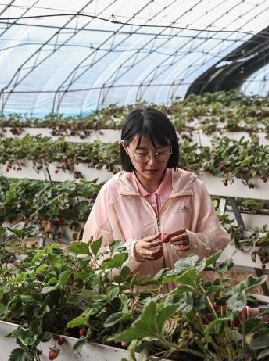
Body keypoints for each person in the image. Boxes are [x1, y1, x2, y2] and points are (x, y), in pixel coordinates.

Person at [83, 107, 229, 279]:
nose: (152, 162)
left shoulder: (191, 187)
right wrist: (133, 252)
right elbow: (92, 257)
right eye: (142, 153)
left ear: (171, 147)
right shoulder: (113, 193)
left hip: (188, 300)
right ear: (126, 147)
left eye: (160, 152)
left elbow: (217, 240)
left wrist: (193, 242)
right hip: (136, 302)